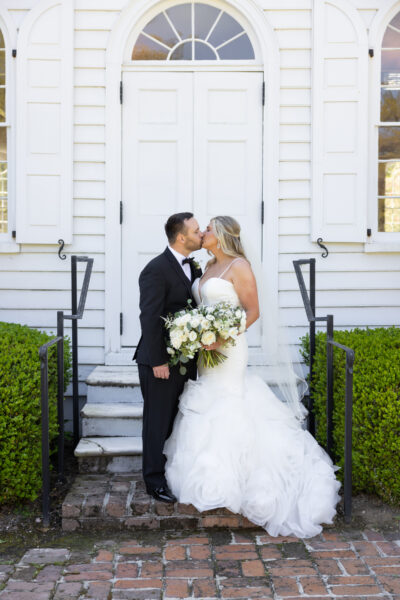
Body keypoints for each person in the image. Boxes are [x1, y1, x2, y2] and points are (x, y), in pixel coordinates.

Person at [163, 215, 341, 538]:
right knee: (209, 400)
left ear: (222, 235)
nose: (202, 232)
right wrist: (198, 333)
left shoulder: (239, 266)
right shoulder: (208, 266)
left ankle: (239, 482)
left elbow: (253, 310)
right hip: (207, 351)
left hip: (229, 350)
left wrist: (223, 337)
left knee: (229, 402)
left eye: (208, 229)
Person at [133, 212, 203, 502]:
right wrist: (158, 360)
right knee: (157, 421)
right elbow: (149, 318)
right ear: (181, 237)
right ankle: (153, 481)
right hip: (159, 362)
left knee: (177, 419)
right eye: (197, 231)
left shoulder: (194, 266)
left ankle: (173, 471)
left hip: (186, 360)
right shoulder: (155, 269)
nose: (201, 235)